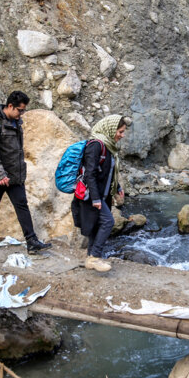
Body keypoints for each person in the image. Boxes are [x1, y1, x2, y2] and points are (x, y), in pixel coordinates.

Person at [0, 91, 51, 255]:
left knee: (22, 206)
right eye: (20, 110)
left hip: (14, 175)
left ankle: (31, 241)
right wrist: (0, 174)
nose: (21, 114)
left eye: (23, 110)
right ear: (10, 106)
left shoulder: (15, 122)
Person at [71, 115, 131, 272]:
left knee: (95, 226)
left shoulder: (108, 146)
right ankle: (95, 257)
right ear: (110, 129)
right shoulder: (96, 145)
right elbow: (90, 173)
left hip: (101, 195)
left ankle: (91, 257)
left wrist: (117, 187)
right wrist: (96, 199)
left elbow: (107, 171)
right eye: (120, 131)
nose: (122, 135)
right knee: (108, 222)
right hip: (91, 195)